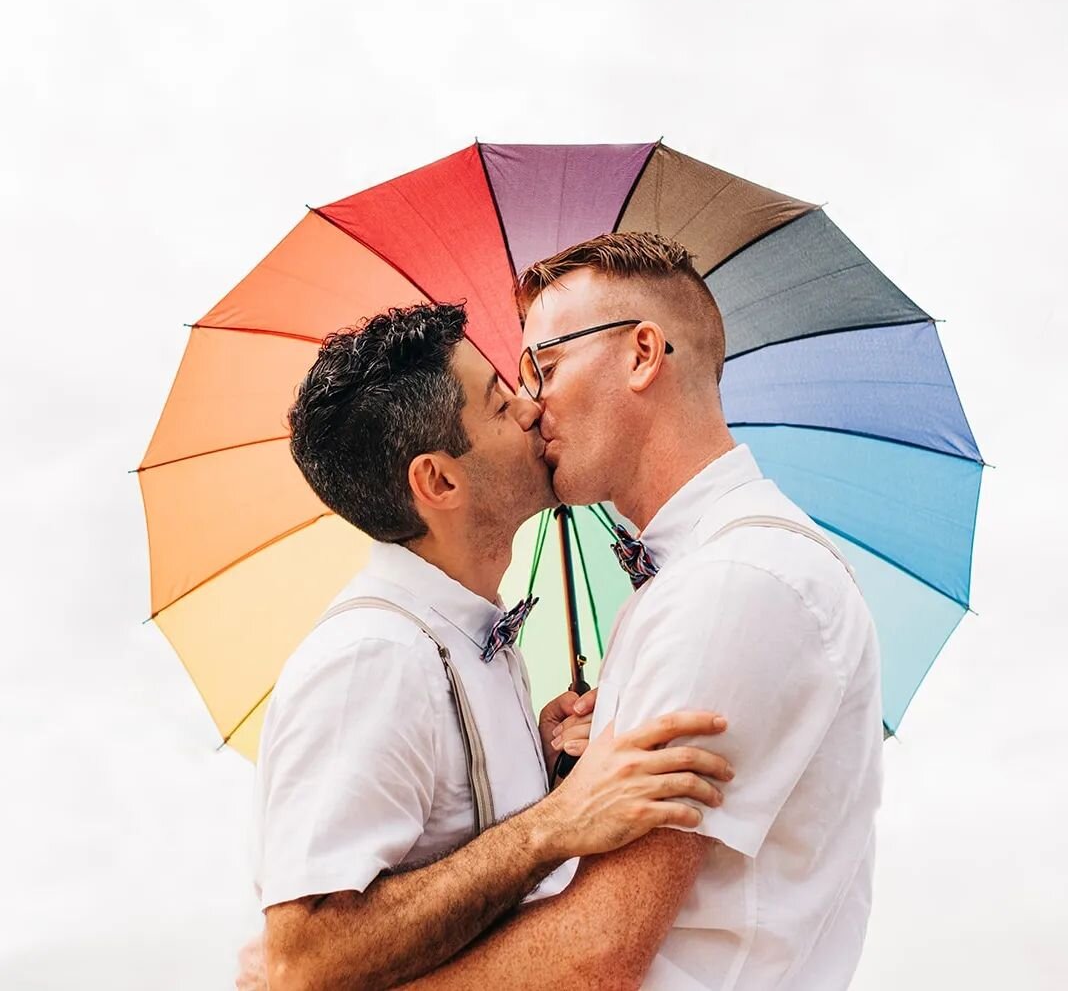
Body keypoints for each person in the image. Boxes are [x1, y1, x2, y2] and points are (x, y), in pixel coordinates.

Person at [388, 233, 883, 989]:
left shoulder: (731, 584)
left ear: (643, 354)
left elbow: (598, 954)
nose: (528, 405)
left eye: (543, 368)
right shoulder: (706, 576)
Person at [241, 303, 736, 991]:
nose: (534, 409)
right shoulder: (373, 658)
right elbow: (304, 962)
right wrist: (552, 825)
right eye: (502, 406)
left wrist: (543, 762)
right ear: (439, 481)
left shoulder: (475, 641)